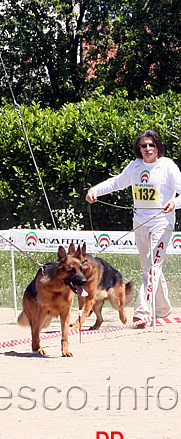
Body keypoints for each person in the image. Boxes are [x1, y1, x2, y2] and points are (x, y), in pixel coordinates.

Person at [86, 130, 181, 328]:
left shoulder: (167, 166)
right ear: (139, 148)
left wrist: (174, 202)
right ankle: (163, 310)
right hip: (139, 223)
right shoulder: (135, 166)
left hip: (162, 223)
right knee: (151, 267)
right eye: (144, 145)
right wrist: (95, 190)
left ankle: (141, 312)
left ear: (158, 147)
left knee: (151, 267)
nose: (148, 149)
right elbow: (117, 182)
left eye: (151, 145)